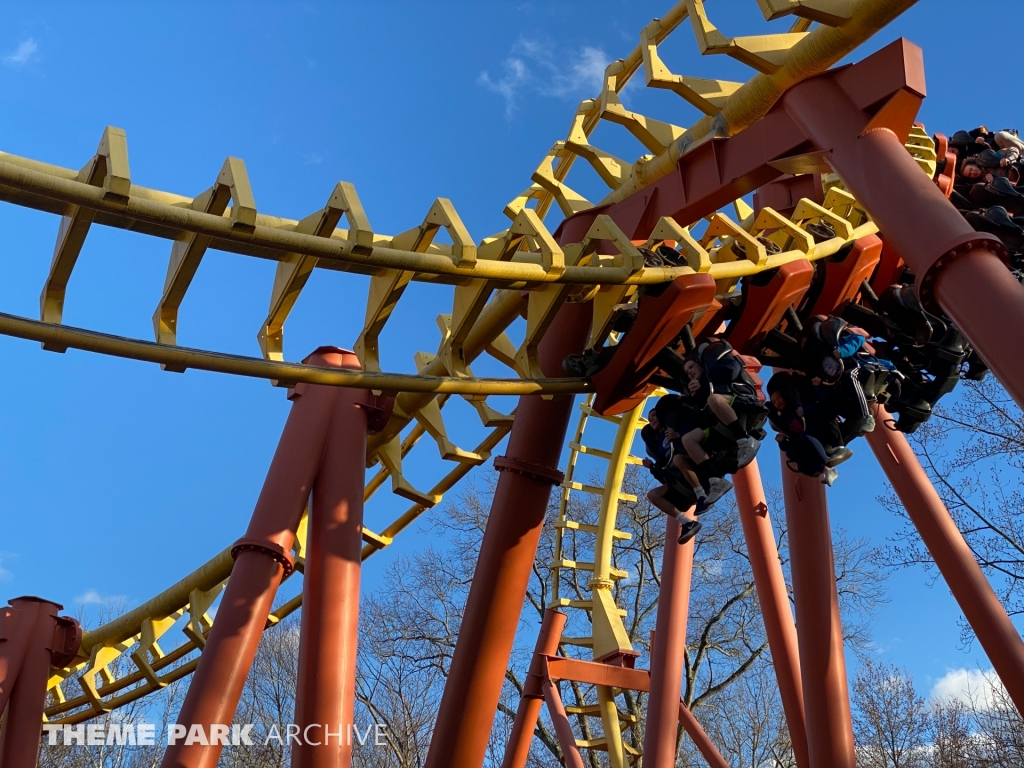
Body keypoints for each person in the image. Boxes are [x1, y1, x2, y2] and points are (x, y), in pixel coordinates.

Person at [641, 400, 730, 544]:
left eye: (654, 415)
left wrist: (678, 435)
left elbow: (695, 431)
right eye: (649, 418)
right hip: (681, 478)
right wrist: (653, 468)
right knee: (652, 495)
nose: (651, 419)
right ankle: (686, 522)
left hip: (697, 463)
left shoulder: (675, 425)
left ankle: (701, 495)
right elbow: (665, 473)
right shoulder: (657, 444)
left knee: (677, 459)